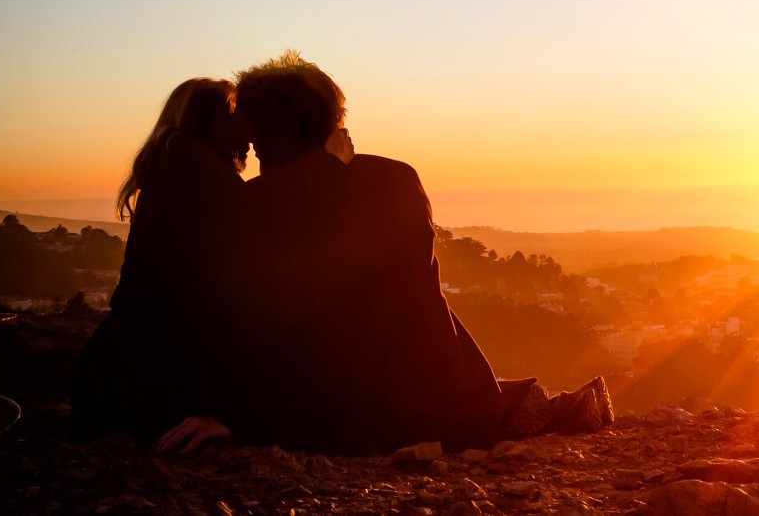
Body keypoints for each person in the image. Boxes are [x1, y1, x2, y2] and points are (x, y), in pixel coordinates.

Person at [224, 50, 508, 454]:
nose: (253, 157)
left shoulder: (261, 205)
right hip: (450, 406)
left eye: (256, 144)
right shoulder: (397, 178)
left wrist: (231, 414)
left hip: (342, 419)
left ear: (278, 138)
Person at [68, 78, 249, 448]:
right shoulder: (198, 171)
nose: (245, 129)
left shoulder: (174, 166)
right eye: (234, 115)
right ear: (204, 122)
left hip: (124, 366)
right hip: (155, 373)